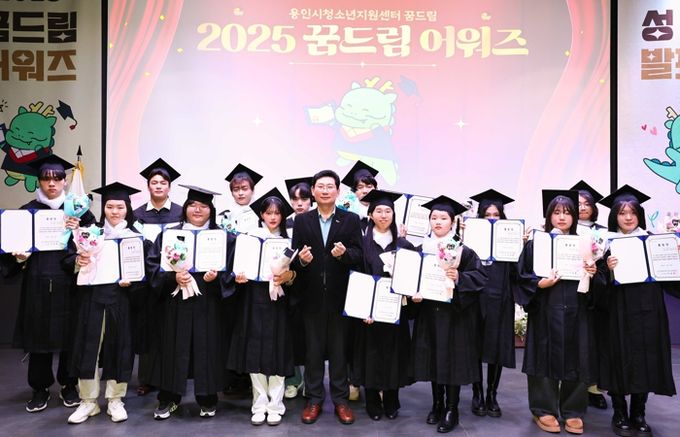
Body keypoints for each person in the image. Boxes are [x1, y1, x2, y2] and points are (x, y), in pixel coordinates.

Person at [0, 154, 95, 413]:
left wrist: (78, 231)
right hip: (38, 284)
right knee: (38, 338)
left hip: (70, 283)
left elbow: (94, 242)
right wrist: (18, 257)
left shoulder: (79, 210)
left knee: (70, 337)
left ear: (65, 181)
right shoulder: (27, 211)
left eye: (56, 178)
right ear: (39, 181)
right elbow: (11, 246)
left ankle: (68, 385)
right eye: (45, 178)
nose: (51, 183)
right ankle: (40, 389)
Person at [595, 185, 680, 437]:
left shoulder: (653, 240)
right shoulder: (604, 244)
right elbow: (596, 284)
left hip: (648, 311)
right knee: (618, 358)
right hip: (617, 311)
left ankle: (639, 413)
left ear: (640, 215)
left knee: (646, 359)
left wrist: (674, 258)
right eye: (622, 213)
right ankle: (619, 412)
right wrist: (607, 269)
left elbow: (671, 280)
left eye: (633, 212)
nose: (628, 217)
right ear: (615, 216)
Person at [516, 190, 596, 435]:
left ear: (574, 217)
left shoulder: (584, 244)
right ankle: (543, 409)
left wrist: (593, 272)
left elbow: (598, 282)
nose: (562, 217)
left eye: (567, 213)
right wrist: (540, 284)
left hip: (576, 308)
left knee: (577, 355)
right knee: (543, 355)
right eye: (557, 212)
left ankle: (573, 410)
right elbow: (521, 276)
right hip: (546, 308)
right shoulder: (535, 244)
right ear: (549, 216)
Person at [146, 185, 227, 419]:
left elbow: (231, 270)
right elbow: (153, 267)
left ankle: (207, 398)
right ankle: (168, 398)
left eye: (203, 206)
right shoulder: (169, 236)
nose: (197, 210)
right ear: (185, 208)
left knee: (207, 348)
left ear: (211, 210)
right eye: (192, 205)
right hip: (176, 302)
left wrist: (216, 278)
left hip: (207, 302)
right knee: (173, 347)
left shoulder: (221, 237)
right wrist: (173, 277)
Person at [290, 169, 363, 425]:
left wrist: (344, 255)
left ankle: (341, 401)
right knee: (313, 352)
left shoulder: (351, 220)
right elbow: (293, 260)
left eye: (330, 186)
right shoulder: (302, 221)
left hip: (340, 297)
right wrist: (301, 261)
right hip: (310, 297)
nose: (325, 190)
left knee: (339, 351)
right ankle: (314, 400)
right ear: (313, 191)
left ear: (338, 191)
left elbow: (359, 256)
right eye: (320, 186)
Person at [410, 195, 486, 433]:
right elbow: (411, 279)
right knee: (433, 358)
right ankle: (437, 404)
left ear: (452, 222)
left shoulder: (463, 251)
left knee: (452, 361)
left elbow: (480, 278)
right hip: (429, 314)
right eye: (434, 217)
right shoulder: (421, 250)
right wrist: (413, 293)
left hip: (454, 316)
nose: (438, 222)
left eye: (443, 218)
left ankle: (452, 408)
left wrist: (460, 277)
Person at [67, 182, 142, 424]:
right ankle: (88, 401)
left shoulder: (135, 237)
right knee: (87, 346)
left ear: (127, 209)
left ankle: (115, 399)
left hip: (120, 299)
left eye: (120, 207)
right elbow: (66, 260)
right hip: (91, 298)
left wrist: (133, 282)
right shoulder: (90, 233)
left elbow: (144, 273)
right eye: (110, 206)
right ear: (104, 208)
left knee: (119, 346)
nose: (114, 211)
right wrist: (79, 259)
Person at [229, 188, 296, 426]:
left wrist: (289, 275)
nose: (273, 217)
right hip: (253, 299)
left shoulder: (290, 241)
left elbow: (297, 277)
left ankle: (276, 404)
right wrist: (238, 277)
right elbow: (236, 268)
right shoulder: (249, 238)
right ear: (261, 214)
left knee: (277, 350)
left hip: (279, 301)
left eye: (277, 213)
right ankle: (259, 403)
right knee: (254, 350)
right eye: (268, 213)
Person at [352, 189, 414, 420]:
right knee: (370, 354)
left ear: (393, 214)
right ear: (371, 215)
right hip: (369, 313)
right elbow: (356, 276)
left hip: (395, 310)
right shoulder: (362, 243)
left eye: (388, 211)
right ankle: (372, 401)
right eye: (379, 210)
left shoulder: (403, 245)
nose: (384, 215)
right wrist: (363, 309)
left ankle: (391, 399)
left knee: (393, 354)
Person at [467, 189, 520, 418]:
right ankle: (477, 393)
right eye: (487, 215)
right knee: (475, 346)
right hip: (476, 300)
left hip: (500, 300)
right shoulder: (470, 239)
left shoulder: (510, 241)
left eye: (496, 215)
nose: (491, 219)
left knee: (497, 347)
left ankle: (492, 394)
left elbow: (518, 272)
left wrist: (520, 245)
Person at [133, 158, 183, 397]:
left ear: (169, 186)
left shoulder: (181, 212)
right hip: (148, 279)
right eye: (154, 183)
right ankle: (147, 379)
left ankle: (173, 375)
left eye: (163, 183)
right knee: (149, 328)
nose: (159, 186)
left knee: (173, 328)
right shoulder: (137, 214)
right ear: (148, 186)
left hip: (175, 279)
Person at [570, 180, 608, 411]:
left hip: (596, 293)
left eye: (587, 203)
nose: (582, 207)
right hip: (569, 290)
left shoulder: (603, 232)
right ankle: (571, 386)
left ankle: (594, 388)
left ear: (594, 207)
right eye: (578, 204)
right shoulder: (566, 229)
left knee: (595, 341)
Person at [283, 176, 314, 399]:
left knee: (312, 336)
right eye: (295, 199)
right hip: (288, 285)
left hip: (312, 285)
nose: (299, 203)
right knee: (290, 335)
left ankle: (312, 381)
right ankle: (293, 379)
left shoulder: (318, 222)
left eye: (304, 199)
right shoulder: (283, 223)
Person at [223, 163, 263, 233]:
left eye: (244, 189)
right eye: (236, 190)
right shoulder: (225, 216)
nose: (240, 193)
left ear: (253, 191)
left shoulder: (263, 213)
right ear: (232, 193)